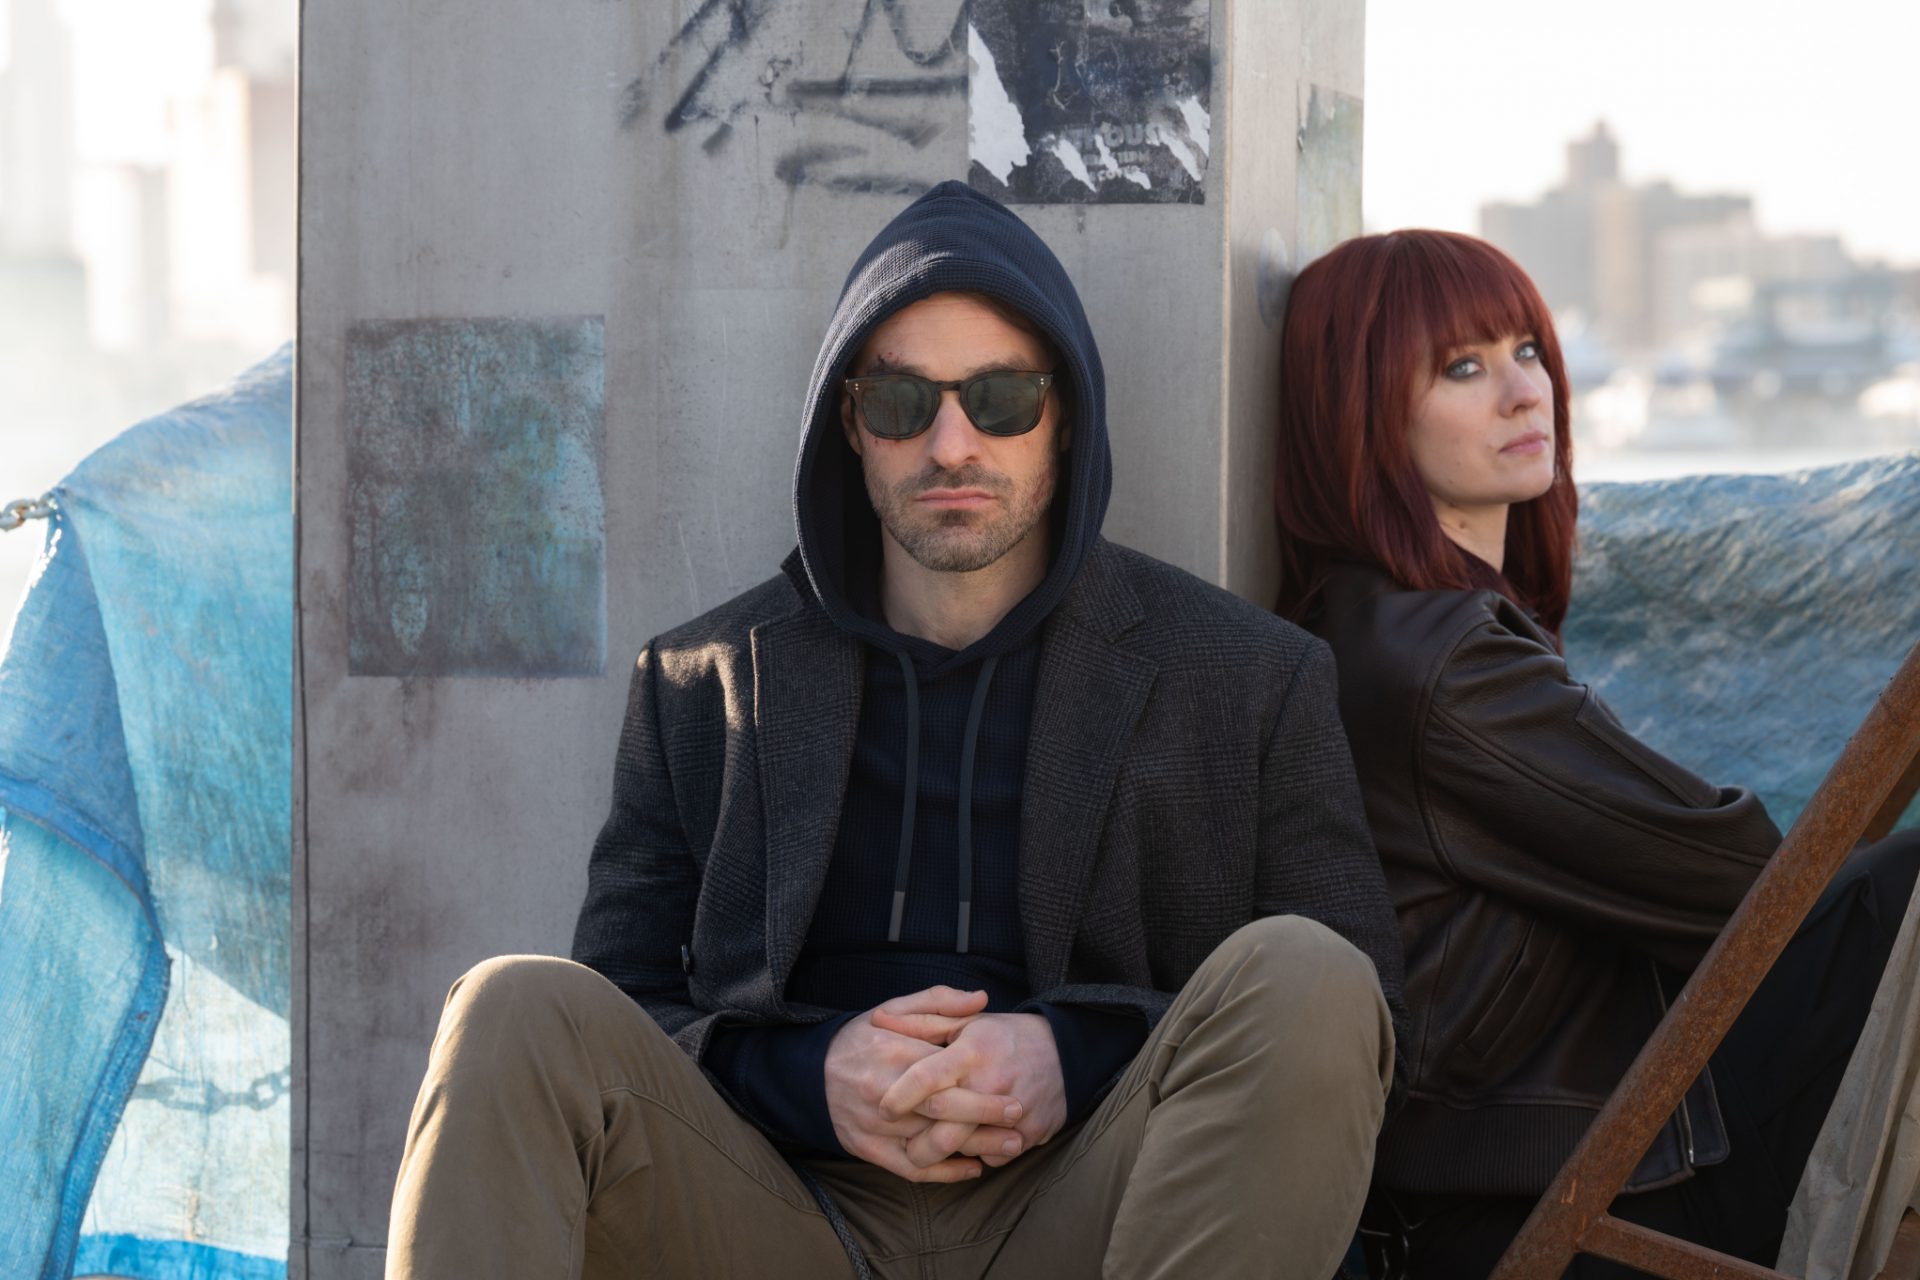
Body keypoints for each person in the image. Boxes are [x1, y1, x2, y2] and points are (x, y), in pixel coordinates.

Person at [385, 181, 1406, 1280]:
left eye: (1003, 398)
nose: (951, 444)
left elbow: (1360, 1032)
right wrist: (809, 1075)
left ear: (1066, 418)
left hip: (1098, 1206)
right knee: (511, 1006)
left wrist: (1074, 1053)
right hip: (776, 1210)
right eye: (902, 401)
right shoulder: (701, 679)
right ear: (851, 425)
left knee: (1313, 973)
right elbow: (624, 1003)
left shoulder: (1247, 677)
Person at [1272, 227, 1920, 1277]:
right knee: (1900, 887)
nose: (1524, 392)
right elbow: (1734, 874)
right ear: (1364, 415)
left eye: (1526, 349)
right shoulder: (1440, 666)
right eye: (1462, 368)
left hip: (1547, 1167)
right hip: (1539, 1213)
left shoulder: (1391, 625)